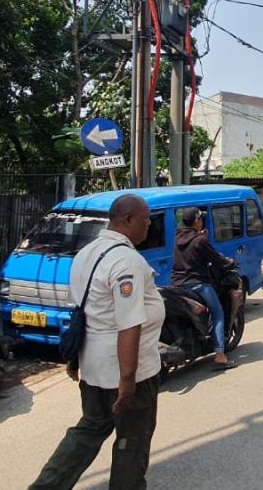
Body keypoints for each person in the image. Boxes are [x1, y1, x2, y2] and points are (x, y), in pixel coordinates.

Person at [30, 194, 165, 489]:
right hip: (129, 372)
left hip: (93, 367)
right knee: (132, 442)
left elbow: (82, 313)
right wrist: (127, 379)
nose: (149, 227)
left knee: (89, 429)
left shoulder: (87, 253)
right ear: (127, 219)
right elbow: (128, 324)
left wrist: (74, 359)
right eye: (145, 220)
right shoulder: (126, 261)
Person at [171, 207, 237, 370]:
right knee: (218, 313)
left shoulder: (177, 237)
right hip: (197, 284)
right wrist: (230, 263)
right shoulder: (199, 240)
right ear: (196, 221)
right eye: (200, 219)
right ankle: (220, 355)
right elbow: (215, 259)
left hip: (177, 284)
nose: (202, 221)